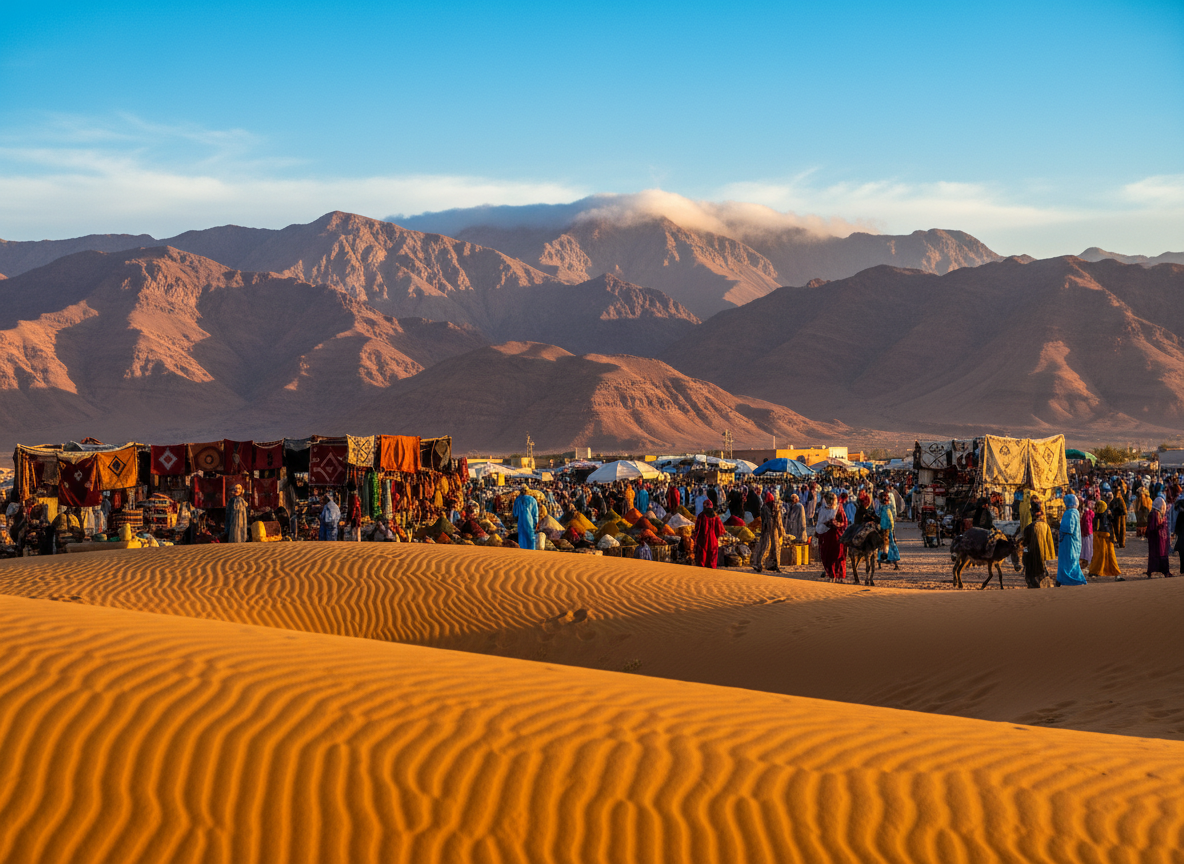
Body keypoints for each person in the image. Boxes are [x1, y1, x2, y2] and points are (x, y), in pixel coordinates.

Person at [815, 491, 848, 582]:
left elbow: (844, 522)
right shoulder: (822, 510)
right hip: (826, 536)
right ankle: (831, 574)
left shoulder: (838, 509)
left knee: (837, 556)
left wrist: (836, 524)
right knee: (826, 556)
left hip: (836, 536)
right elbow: (819, 522)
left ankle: (838, 576)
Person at [1056, 494, 1087, 586]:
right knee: (1072, 560)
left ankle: (1068, 579)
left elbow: (1068, 528)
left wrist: (1060, 531)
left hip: (1068, 540)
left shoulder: (1070, 513)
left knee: (1067, 560)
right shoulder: (1075, 512)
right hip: (1074, 540)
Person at [1022, 503, 1054, 587]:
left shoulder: (1029, 527)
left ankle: (1033, 583)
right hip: (1044, 554)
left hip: (1033, 555)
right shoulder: (1045, 525)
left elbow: (1025, 542)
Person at [752, 492, 785, 573]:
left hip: (768, 530)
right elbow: (778, 521)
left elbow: (775, 520)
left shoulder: (766, 507)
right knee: (773, 548)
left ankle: (764, 564)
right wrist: (781, 532)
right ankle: (771, 565)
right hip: (772, 530)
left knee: (765, 547)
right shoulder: (773, 507)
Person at [1088, 500, 1121, 578]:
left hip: (1097, 538)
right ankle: (1112, 571)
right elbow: (1106, 528)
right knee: (1109, 556)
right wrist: (1111, 537)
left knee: (1097, 556)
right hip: (1105, 539)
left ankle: (1094, 571)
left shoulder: (1097, 516)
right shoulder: (1103, 517)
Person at [692, 500, 724, 568]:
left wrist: (695, 538)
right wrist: (716, 537)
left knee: (702, 558)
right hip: (713, 540)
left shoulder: (701, 515)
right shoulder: (716, 516)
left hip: (703, 539)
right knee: (712, 558)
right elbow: (720, 530)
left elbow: (697, 529)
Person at [1146, 496, 1172, 577]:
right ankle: (1165, 571)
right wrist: (1163, 524)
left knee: (1154, 555)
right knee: (1162, 554)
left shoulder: (1153, 513)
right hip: (1159, 538)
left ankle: (1151, 571)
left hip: (1155, 538)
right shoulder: (1156, 514)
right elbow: (1156, 526)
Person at [878, 490, 900, 569]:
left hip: (886, 527)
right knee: (888, 543)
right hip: (885, 526)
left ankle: (885, 560)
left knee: (886, 543)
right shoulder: (886, 507)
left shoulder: (884, 507)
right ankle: (892, 561)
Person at [1109, 483, 1127, 548]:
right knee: (1116, 530)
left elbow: (1124, 511)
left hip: (1120, 518)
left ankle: (1121, 543)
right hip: (1115, 518)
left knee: (1121, 530)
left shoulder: (1120, 500)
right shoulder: (1114, 500)